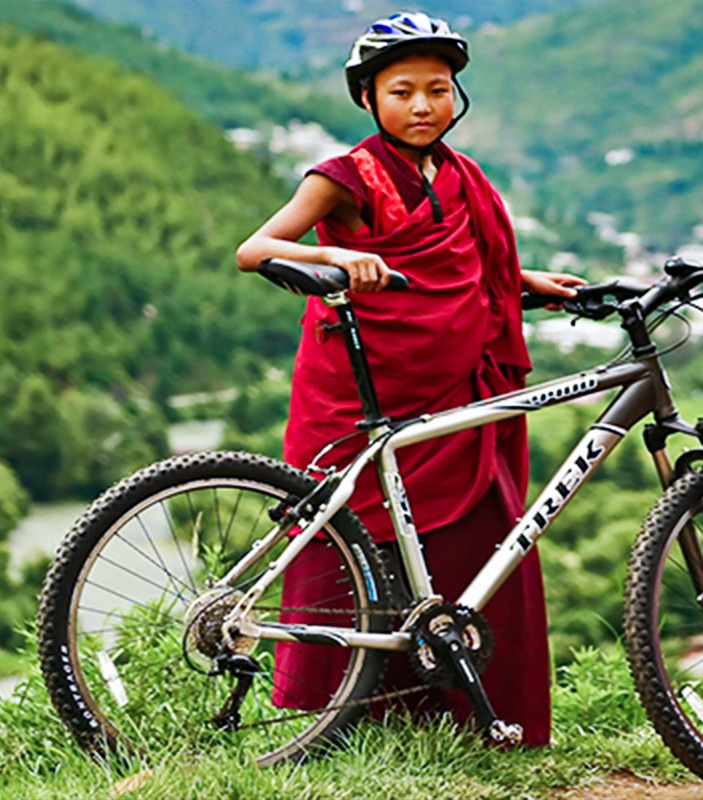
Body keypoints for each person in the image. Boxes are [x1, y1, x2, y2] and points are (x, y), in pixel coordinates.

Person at [235, 11, 584, 747]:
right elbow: (253, 247)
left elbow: (464, 272)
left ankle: (461, 718)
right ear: (368, 98)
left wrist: (522, 281)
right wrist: (337, 259)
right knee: (357, 533)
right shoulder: (343, 177)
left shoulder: (462, 177)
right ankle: (344, 718)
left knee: (483, 539)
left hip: (457, 389)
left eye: (439, 89)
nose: (423, 106)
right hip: (362, 389)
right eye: (402, 91)